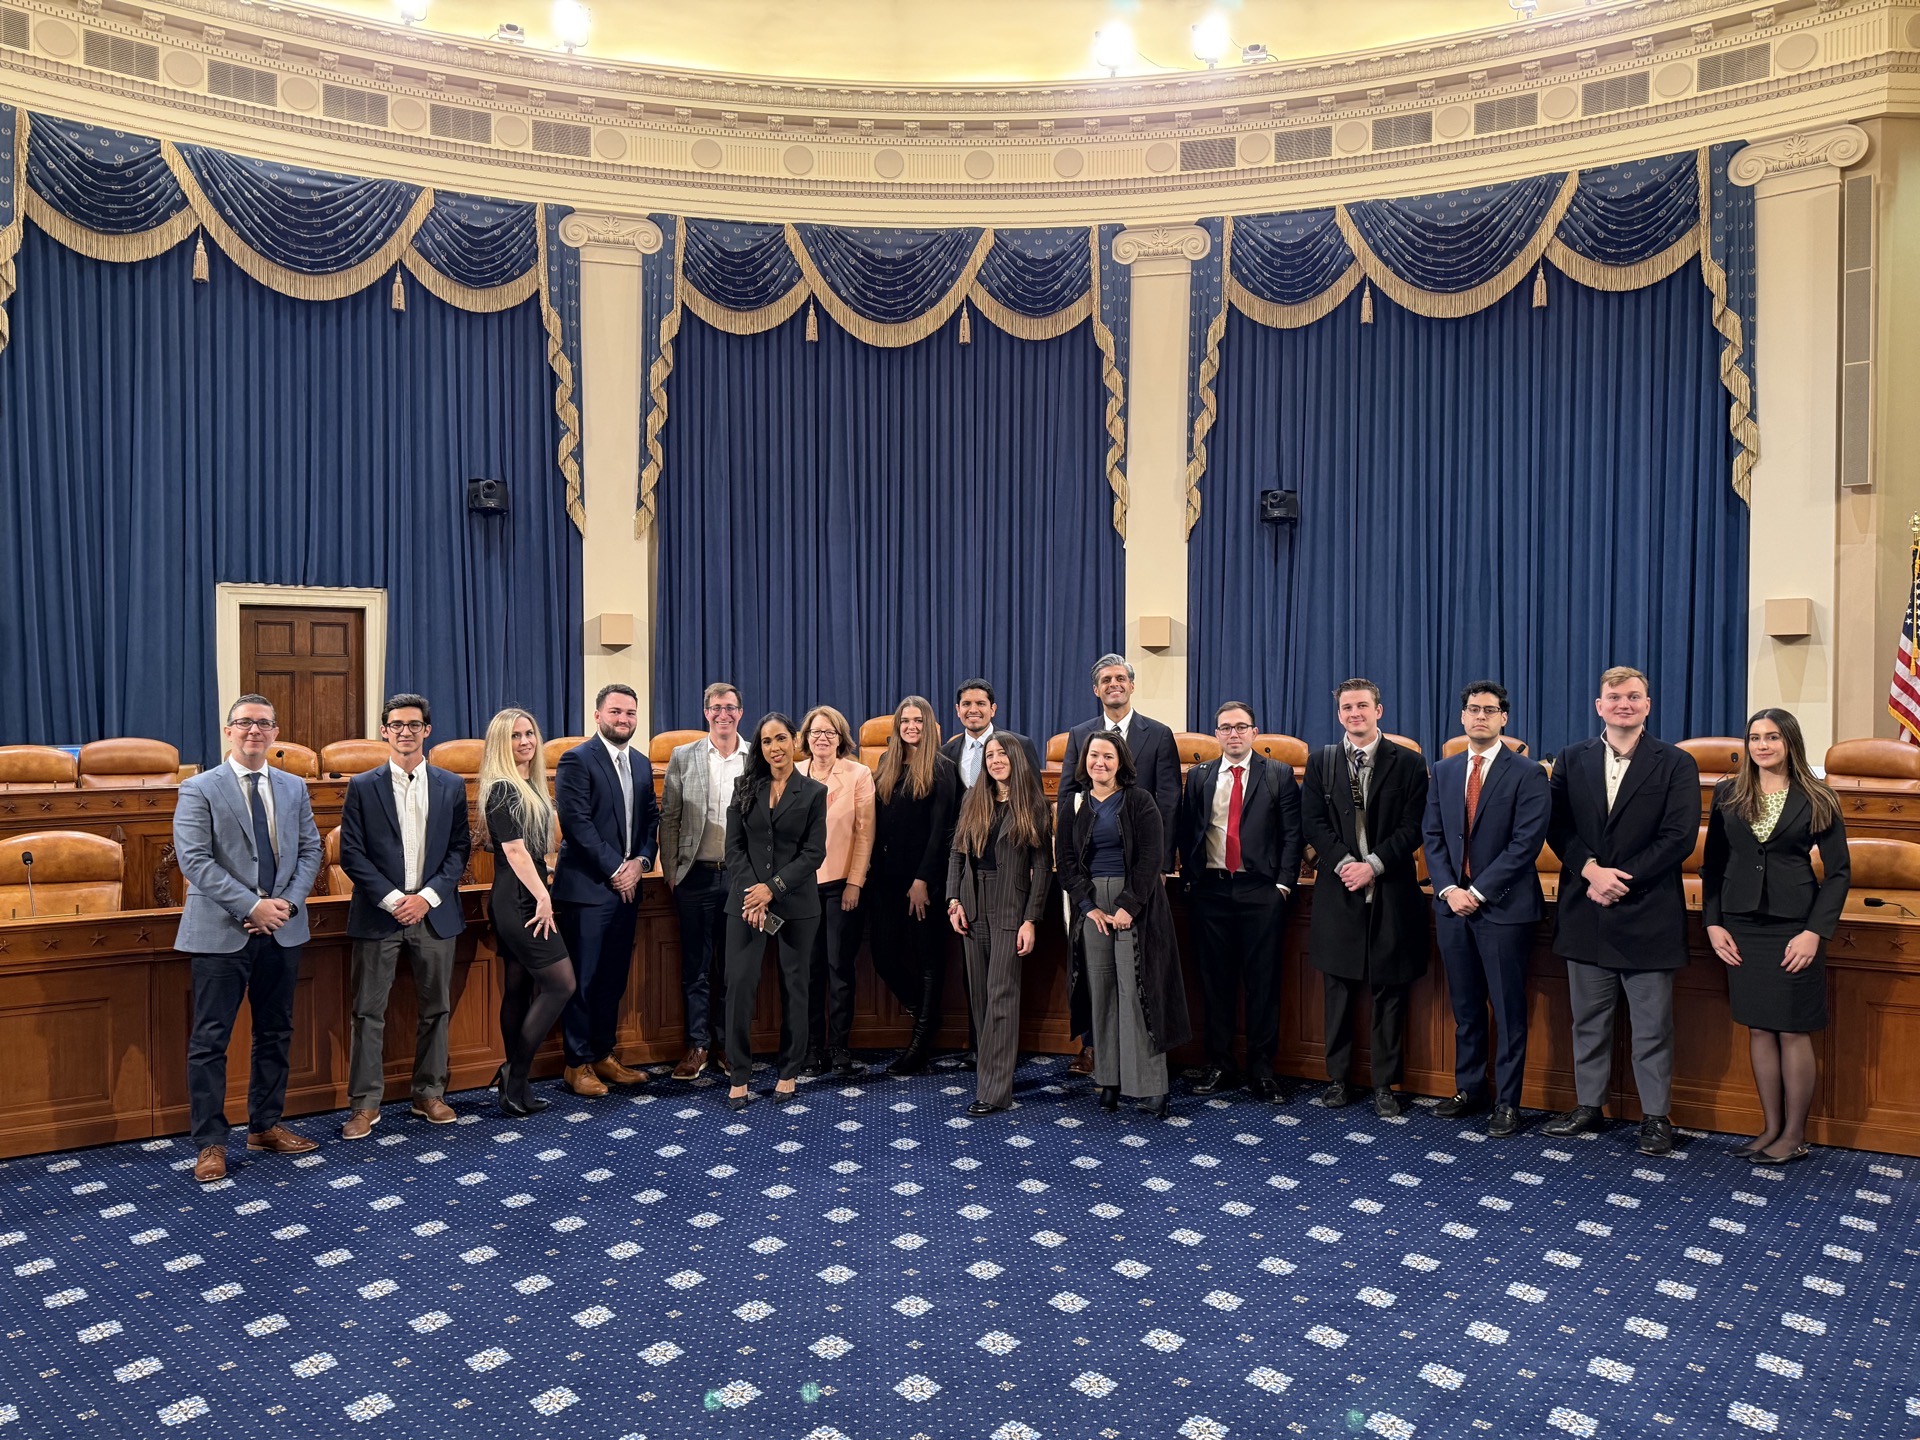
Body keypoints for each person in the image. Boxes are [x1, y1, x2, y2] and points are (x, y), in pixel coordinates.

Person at [1542, 666, 1701, 1156]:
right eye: (1615, 697)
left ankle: (1655, 1118)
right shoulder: (1571, 758)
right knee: (1588, 1021)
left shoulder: (1675, 763)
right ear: (1599, 705)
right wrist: (1591, 871)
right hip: (1585, 907)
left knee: (1652, 1027)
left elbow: (1678, 838)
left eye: (1634, 697)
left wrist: (1619, 880)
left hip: (1647, 911)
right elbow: (1557, 827)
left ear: (1648, 706)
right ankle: (1588, 1107)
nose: (1624, 704)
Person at [174, 694, 323, 1182]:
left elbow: (310, 850)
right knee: (210, 1040)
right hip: (220, 931)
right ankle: (211, 1143)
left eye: (263, 724)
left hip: (281, 929)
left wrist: (285, 906)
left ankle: (265, 1125)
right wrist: (251, 905)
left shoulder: (294, 786)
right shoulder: (199, 788)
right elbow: (194, 860)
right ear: (228, 731)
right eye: (244, 723)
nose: (254, 731)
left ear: (275, 732)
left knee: (276, 1032)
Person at [1703, 707, 1849, 1165]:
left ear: (1790, 743)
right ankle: (1769, 1127)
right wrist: (1713, 922)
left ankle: (1794, 1134)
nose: (1762, 745)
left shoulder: (1818, 796)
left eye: (1772, 738)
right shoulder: (1728, 792)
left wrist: (1814, 933)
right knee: (1759, 1026)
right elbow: (1713, 865)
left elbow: (1840, 873)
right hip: (1742, 923)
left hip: (1794, 925)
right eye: (1754, 738)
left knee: (1791, 1028)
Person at [337, 693, 472, 1138]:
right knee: (367, 1012)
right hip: (381, 914)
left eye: (414, 725)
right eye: (397, 725)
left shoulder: (451, 785)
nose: (406, 732)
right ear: (384, 731)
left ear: (427, 731)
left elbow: (458, 851)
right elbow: (352, 855)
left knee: (436, 1009)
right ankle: (365, 1104)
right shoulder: (362, 786)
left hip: (434, 914)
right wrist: (396, 899)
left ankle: (429, 1093)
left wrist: (427, 897)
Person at [1420, 682, 1550, 1139]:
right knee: (1466, 1006)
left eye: (1489, 711)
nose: (1480, 717)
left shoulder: (1528, 773)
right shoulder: (1444, 769)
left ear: (1504, 719)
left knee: (1508, 1009)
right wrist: (1449, 889)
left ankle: (1508, 1102)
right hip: (1452, 907)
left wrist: (1478, 891)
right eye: (1473, 710)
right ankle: (1469, 1088)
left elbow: (1525, 845)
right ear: (1462, 717)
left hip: (1504, 908)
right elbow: (1433, 836)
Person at [1298, 679, 1431, 1119]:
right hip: (1339, 889)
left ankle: (1383, 1084)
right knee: (1336, 988)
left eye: (1363, 706)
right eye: (1347, 707)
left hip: (1391, 889)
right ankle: (1337, 1078)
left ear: (1380, 710)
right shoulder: (1322, 762)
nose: (1355, 713)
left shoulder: (1409, 763)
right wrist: (1344, 865)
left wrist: (1373, 864)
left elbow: (1413, 826)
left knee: (1388, 991)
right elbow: (1314, 824)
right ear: (1339, 714)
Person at [1058, 654, 1182, 1076]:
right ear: (1096, 690)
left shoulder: (1159, 734)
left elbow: (1168, 800)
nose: (1113, 684)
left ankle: (1140, 1063)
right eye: (1105, 680)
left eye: (1120, 678)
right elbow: (1067, 801)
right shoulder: (1080, 735)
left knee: (1139, 972)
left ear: (1132, 685)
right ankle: (1097, 1052)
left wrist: (1158, 866)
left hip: (1140, 873)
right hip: (1091, 875)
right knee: (1094, 970)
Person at [1057, 731, 1190, 1118]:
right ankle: (1109, 1080)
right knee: (1101, 991)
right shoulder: (1074, 804)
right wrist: (1087, 906)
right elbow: (1065, 862)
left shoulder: (1139, 801)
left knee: (1137, 993)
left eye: (1108, 757)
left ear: (1121, 763)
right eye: (1093, 756)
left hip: (1137, 903)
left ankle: (1149, 1087)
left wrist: (1129, 906)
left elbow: (1152, 857)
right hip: (1091, 906)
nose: (1100, 762)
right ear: (1084, 762)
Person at [1176, 700, 1301, 1102]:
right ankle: (1220, 1064)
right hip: (1211, 890)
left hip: (1260, 891)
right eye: (1225, 728)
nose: (1233, 734)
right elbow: (1187, 829)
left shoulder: (1278, 774)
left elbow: (1292, 836)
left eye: (1240, 727)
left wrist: (1283, 885)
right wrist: (1191, 879)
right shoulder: (1199, 776)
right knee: (1216, 983)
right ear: (1216, 734)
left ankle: (1262, 1070)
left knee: (1262, 984)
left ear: (1254, 732)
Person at [552, 684, 659, 1097]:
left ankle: (602, 1054)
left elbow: (651, 820)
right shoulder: (576, 759)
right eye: (616, 712)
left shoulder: (642, 762)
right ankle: (575, 1063)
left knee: (613, 978)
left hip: (628, 888)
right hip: (588, 889)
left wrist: (641, 863)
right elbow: (576, 824)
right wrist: (617, 868)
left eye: (631, 713)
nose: (624, 719)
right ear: (597, 715)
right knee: (584, 979)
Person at [721, 712, 829, 1111]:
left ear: (794, 741)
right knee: (739, 987)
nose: (775, 748)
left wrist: (773, 889)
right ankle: (739, 1076)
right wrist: (754, 893)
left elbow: (814, 853)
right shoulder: (744, 787)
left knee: (795, 989)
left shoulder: (814, 792)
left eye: (781, 739)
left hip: (797, 905)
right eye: (766, 742)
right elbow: (733, 847)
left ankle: (789, 1071)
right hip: (746, 904)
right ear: (760, 748)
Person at [946, 734, 1054, 1114]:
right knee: (980, 997)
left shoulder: (1034, 805)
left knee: (1001, 996)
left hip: (1011, 905)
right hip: (973, 904)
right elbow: (957, 855)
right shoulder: (973, 799)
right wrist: (953, 899)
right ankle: (987, 1078)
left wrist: (1031, 919)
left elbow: (1042, 869)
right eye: (990, 755)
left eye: (1001, 754)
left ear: (1016, 759)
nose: (995, 760)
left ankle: (994, 1092)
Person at [477, 708, 575, 1117]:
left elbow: (529, 850)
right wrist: (543, 895)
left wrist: (544, 871)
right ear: (502, 743)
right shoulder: (503, 788)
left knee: (518, 986)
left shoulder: (528, 785)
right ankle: (515, 1073)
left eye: (530, 733)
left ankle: (514, 1084)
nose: (525, 741)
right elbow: (513, 851)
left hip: (521, 892)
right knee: (560, 985)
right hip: (521, 901)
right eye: (515, 736)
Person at [658, 682, 750, 1081]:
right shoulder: (684, 756)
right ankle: (697, 1045)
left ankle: (728, 1046)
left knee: (733, 969)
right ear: (706, 712)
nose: (723, 714)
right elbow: (670, 817)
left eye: (730, 707)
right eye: (716, 708)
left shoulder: (756, 757)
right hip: (694, 875)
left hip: (741, 877)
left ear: (740, 713)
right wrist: (671, 872)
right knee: (695, 966)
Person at [868, 695, 961, 1074]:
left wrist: (923, 879)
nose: (911, 726)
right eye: (905, 720)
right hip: (885, 880)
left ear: (930, 726)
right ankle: (927, 1014)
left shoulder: (942, 768)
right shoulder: (885, 762)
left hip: (924, 881)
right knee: (884, 956)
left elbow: (942, 832)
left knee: (928, 961)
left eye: (918, 721)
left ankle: (920, 1043)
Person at [795, 705, 875, 1079]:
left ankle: (839, 1047)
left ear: (841, 738)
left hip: (843, 886)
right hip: (801, 889)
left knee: (839, 969)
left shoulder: (859, 774)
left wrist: (856, 882)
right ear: (805, 739)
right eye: (815, 733)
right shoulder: (792, 774)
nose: (822, 738)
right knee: (808, 972)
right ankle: (811, 1049)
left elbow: (865, 832)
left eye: (829, 733)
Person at [942, 678, 1042, 789]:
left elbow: (1036, 796)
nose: (973, 710)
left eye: (980, 703)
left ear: (992, 709)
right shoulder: (945, 753)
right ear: (958, 710)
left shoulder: (1021, 745)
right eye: (966, 704)